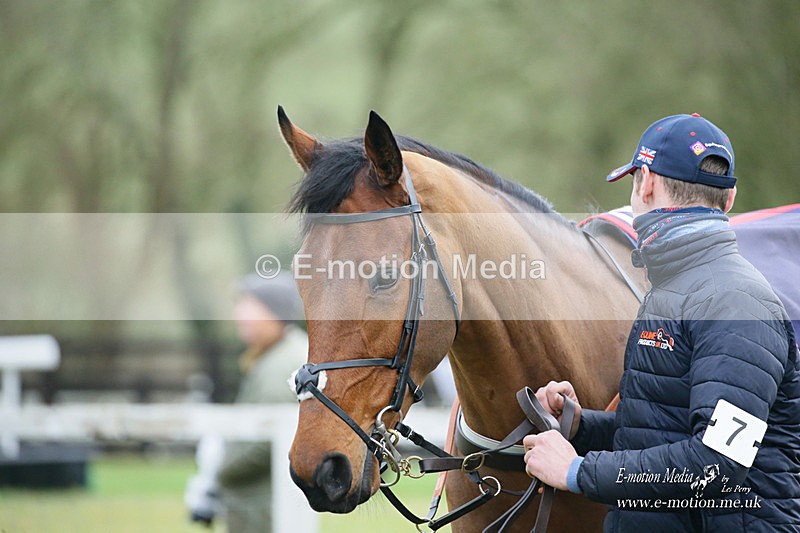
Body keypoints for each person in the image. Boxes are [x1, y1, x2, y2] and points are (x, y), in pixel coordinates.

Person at [523, 114, 800, 531]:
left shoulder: (733, 301)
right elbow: (661, 431)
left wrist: (577, 471)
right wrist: (580, 425)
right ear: (730, 199)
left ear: (646, 181)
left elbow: (716, 465)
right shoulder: (678, 288)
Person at [185, 271, 308, 533]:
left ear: (274, 312)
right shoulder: (274, 355)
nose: (239, 315)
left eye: (249, 306)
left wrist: (217, 472)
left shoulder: (283, 364)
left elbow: (269, 439)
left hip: (263, 511)